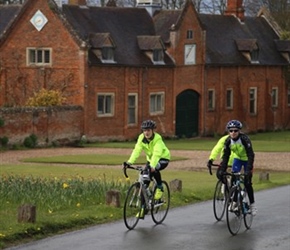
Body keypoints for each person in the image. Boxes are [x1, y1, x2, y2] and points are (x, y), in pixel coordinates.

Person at [123, 119, 170, 218]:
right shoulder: (141, 138)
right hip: (151, 160)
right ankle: (143, 209)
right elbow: (137, 150)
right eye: (144, 130)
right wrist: (129, 162)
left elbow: (157, 154)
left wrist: (152, 166)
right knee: (144, 185)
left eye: (148, 130)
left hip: (162, 158)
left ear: (153, 130)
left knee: (155, 168)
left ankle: (160, 187)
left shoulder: (158, 139)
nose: (146, 132)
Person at [217, 119, 257, 215]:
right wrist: (222, 170)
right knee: (234, 180)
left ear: (239, 131)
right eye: (231, 131)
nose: (233, 133)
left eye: (235, 131)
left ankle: (252, 205)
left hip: (247, 159)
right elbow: (225, 157)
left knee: (247, 183)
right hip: (238, 159)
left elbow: (251, 154)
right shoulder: (228, 141)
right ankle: (234, 202)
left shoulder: (244, 139)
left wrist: (248, 170)